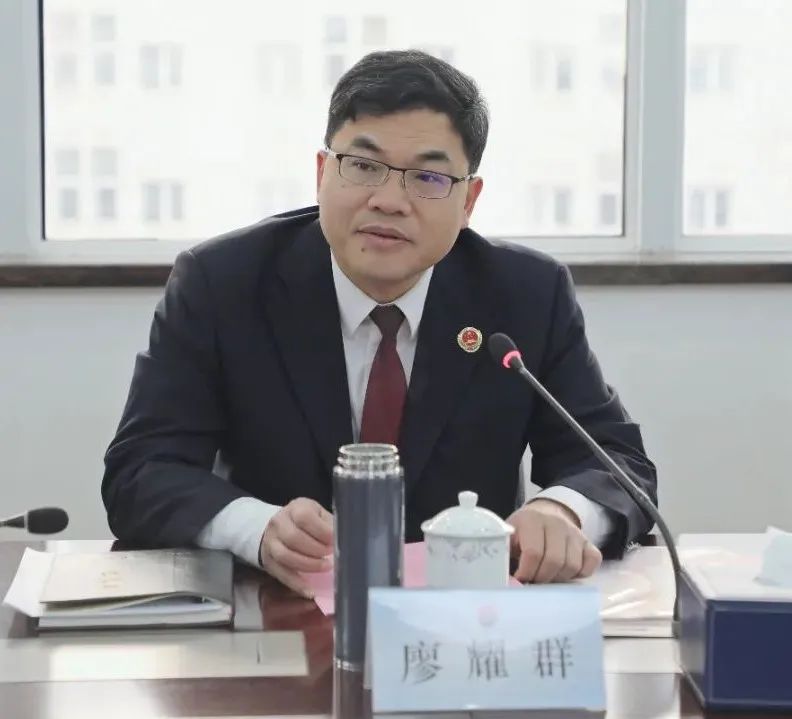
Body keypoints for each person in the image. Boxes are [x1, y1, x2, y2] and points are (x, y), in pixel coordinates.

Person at [102, 50, 657, 598]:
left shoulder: (525, 295)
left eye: (428, 177)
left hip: (465, 614)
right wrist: (257, 528)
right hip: (277, 607)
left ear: (469, 201)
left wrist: (562, 512)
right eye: (364, 166)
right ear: (322, 173)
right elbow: (141, 470)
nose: (389, 201)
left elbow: (617, 461)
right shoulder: (223, 284)